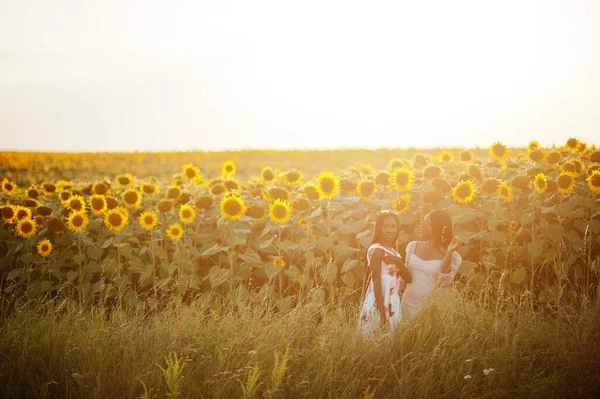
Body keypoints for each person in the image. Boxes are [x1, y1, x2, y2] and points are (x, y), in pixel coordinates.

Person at [400, 209, 463, 321]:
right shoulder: (413, 247)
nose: (421, 226)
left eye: (425, 223)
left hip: (428, 310)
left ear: (437, 226)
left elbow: (443, 282)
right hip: (405, 304)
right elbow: (404, 279)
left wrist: (449, 252)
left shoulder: (453, 256)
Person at [358, 211, 412, 338]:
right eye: (386, 226)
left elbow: (408, 279)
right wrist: (382, 311)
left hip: (392, 298)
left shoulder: (394, 253)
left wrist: (397, 261)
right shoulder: (376, 249)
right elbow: (376, 281)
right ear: (379, 228)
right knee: (374, 338)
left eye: (394, 226)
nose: (390, 230)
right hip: (379, 299)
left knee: (391, 340)